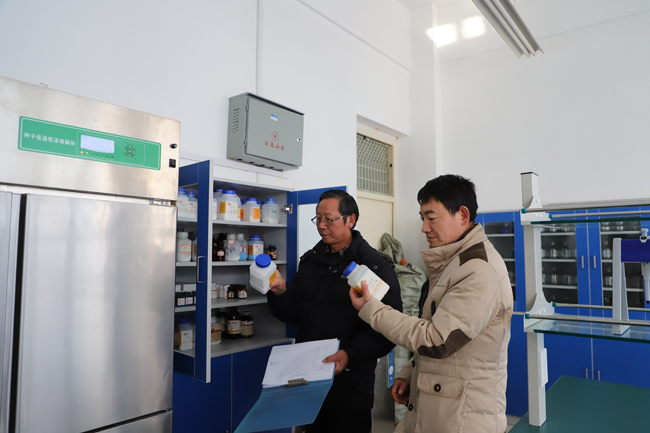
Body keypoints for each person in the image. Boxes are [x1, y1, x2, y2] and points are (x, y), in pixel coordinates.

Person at [350, 175, 513, 433]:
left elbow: (437, 340)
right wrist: (411, 371)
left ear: (462, 215)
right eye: (422, 218)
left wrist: (372, 310)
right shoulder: (453, 262)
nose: (424, 228)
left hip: (463, 419)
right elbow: (440, 329)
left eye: (431, 218)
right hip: (440, 406)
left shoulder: (479, 270)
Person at [267, 189, 402, 433]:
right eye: (318, 219)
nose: (321, 226)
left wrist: (349, 355)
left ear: (350, 220)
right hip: (308, 381)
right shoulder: (311, 261)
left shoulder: (373, 266)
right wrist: (281, 292)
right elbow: (292, 313)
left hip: (350, 388)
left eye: (329, 219)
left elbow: (388, 328)